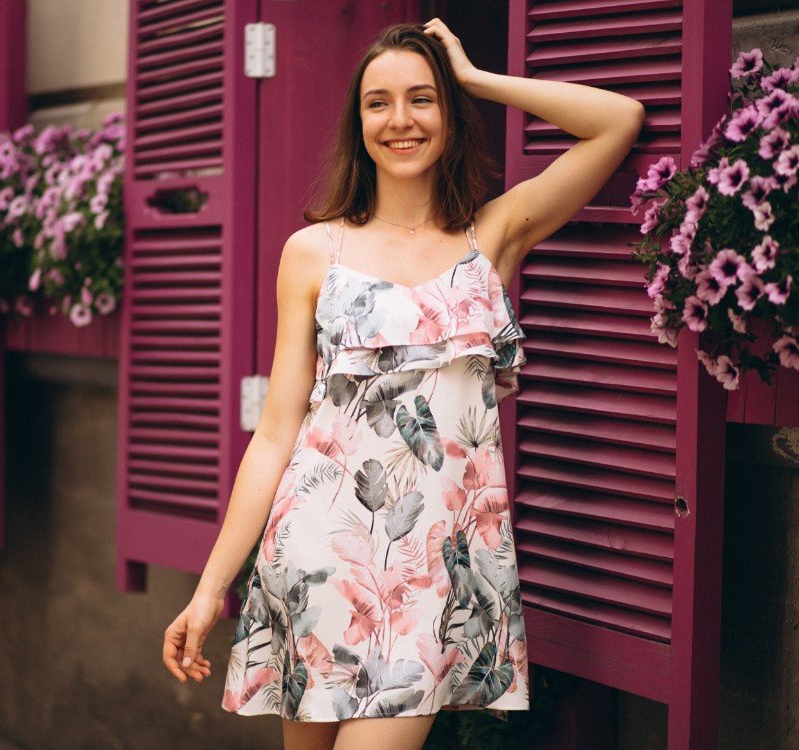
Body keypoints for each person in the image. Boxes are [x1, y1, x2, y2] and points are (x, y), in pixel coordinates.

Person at [162, 17, 644, 750]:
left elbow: (617, 122)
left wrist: (473, 78)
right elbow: (276, 435)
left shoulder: (492, 237)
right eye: (378, 103)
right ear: (359, 125)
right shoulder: (314, 251)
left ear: (449, 115)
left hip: (432, 573)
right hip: (318, 557)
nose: (400, 120)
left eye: (422, 99)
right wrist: (208, 588)